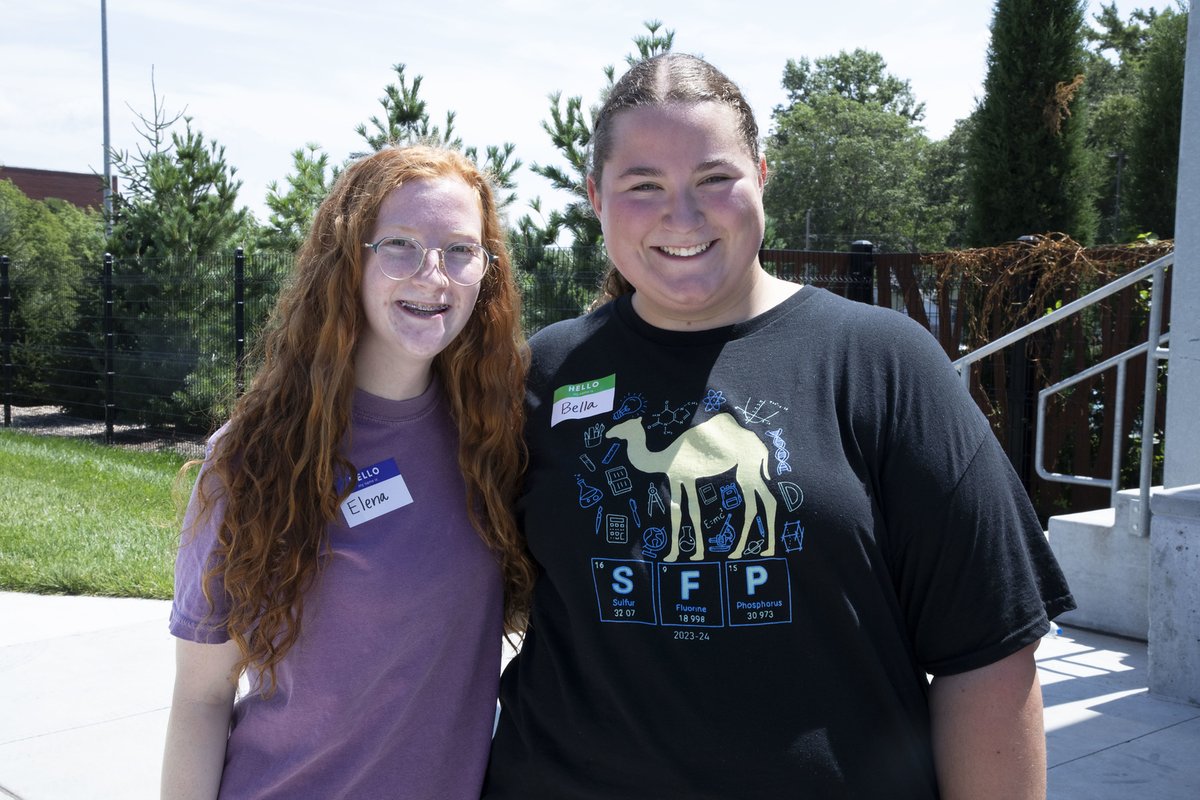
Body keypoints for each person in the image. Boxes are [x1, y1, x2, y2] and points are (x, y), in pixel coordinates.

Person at [483, 53, 1075, 799]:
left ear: (761, 177)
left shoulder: (881, 363)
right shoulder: (544, 372)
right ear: (596, 196)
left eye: (714, 178)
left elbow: (988, 652)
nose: (682, 216)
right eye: (644, 185)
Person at [160, 144, 533, 800]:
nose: (433, 275)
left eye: (460, 250)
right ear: (347, 259)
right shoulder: (255, 458)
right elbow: (201, 697)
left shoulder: (493, 441)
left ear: (487, 270)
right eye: (400, 245)